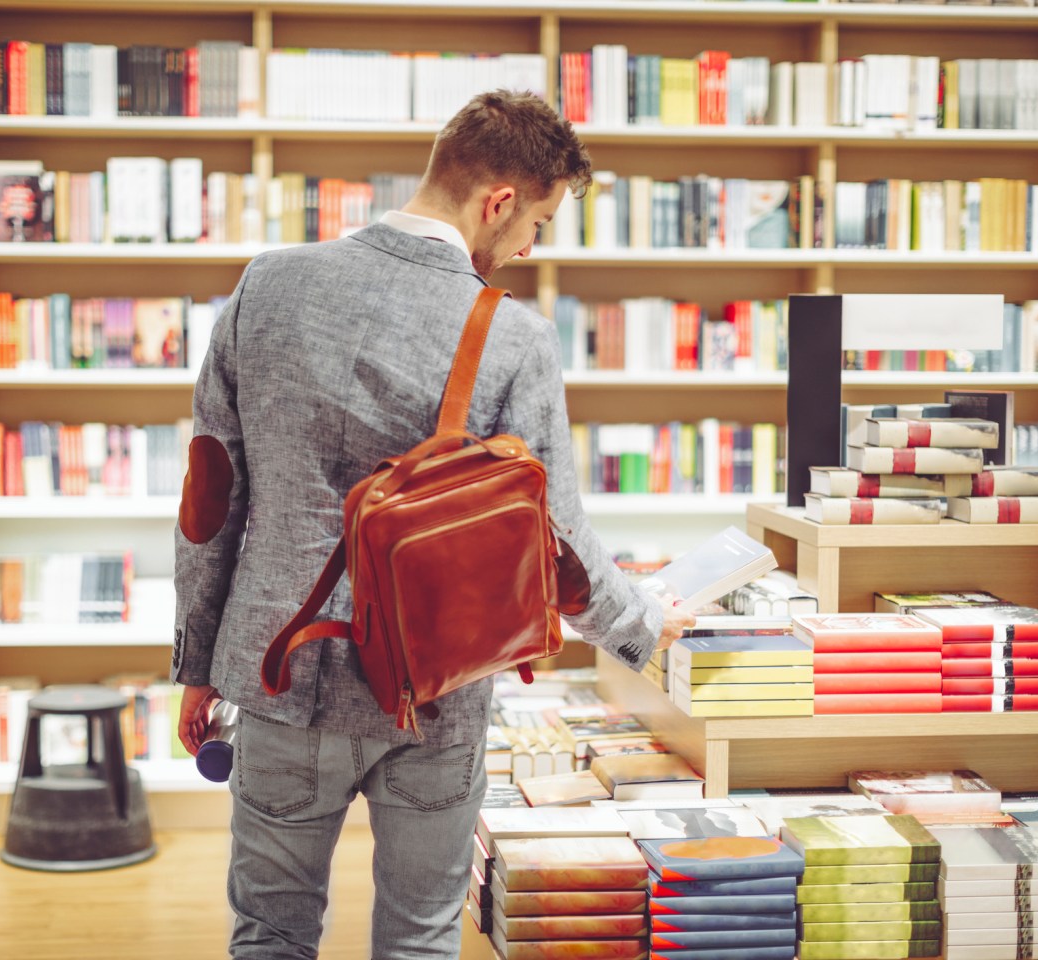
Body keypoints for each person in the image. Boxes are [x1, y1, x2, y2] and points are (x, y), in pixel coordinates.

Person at [172, 89, 697, 959]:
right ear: (497, 202)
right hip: (433, 688)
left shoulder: (267, 283)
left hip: (274, 672)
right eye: (538, 221)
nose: (530, 247)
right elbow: (555, 547)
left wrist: (198, 661)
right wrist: (642, 623)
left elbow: (210, 500)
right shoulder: (512, 336)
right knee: (419, 938)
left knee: (269, 935)